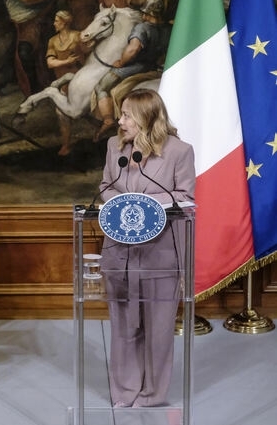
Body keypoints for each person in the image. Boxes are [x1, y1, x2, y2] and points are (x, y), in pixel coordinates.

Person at [98, 88, 195, 408]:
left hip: (160, 253)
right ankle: (125, 392)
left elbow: (185, 197)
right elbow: (105, 187)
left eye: (127, 115)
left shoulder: (179, 151)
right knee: (123, 327)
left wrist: (143, 205)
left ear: (147, 118)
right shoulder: (114, 147)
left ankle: (152, 395)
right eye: (121, 114)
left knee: (158, 328)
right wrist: (123, 203)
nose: (120, 121)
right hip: (120, 252)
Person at [93, 0, 171, 140]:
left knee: (101, 87)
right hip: (157, 67)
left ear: (147, 12)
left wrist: (121, 62)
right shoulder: (169, 28)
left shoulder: (142, 28)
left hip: (138, 67)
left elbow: (133, 49)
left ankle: (108, 119)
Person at [45, 10, 85, 155]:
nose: (54, 24)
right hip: (62, 83)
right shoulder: (52, 41)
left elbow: (86, 54)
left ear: (65, 22)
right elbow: (50, 63)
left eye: (57, 21)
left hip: (79, 79)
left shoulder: (78, 36)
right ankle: (66, 145)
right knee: (61, 114)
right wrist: (66, 61)